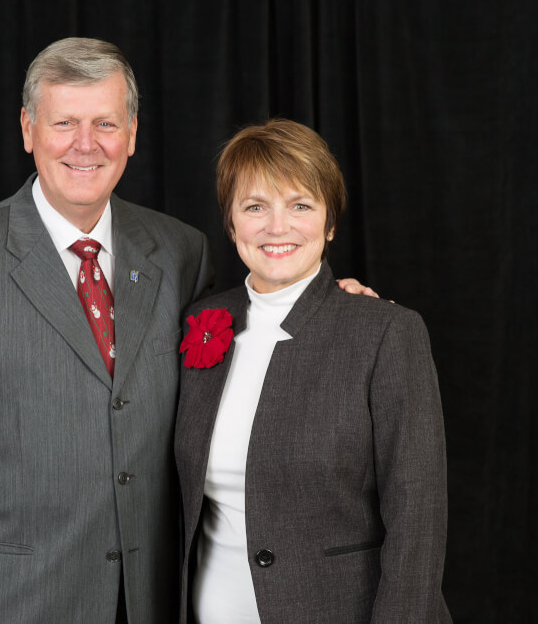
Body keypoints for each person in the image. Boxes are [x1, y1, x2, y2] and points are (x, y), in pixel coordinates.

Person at [0, 38, 374, 623]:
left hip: (153, 600)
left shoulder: (180, 252)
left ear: (131, 134)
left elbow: (244, 341)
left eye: (105, 122)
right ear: (28, 129)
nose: (86, 144)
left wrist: (331, 306)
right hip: (14, 605)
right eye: (65, 122)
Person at [174, 119, 451, 622]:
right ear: (232, 224)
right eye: (255, 207)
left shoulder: (386, 333)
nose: (277, 227)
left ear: (329, 224)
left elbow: (419, 520)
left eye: (300, 205)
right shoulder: (198, 322)